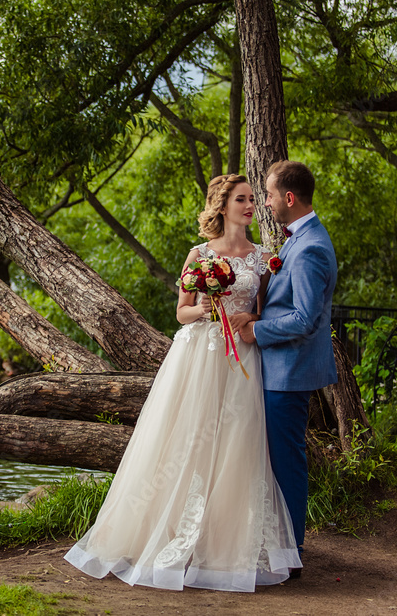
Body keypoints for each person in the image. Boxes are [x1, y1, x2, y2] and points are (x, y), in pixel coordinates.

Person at [65, 174, 301, 592]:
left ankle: (225, 542)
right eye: (241, 200)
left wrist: (248, 320)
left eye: (252, 199)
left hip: (242, 358)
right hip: (197, 357)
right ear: (222, 205)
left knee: (237, 443)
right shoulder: (199, 254)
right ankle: (172, 534)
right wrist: (208, 310)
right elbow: (181, 312)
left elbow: (265, 313)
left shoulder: (264, 259)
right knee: (186, 440)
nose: (250, 206)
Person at [240, 160, 338, 561]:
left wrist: (255, 331)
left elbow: (306, 318)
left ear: (289, 197)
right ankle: (279, 544)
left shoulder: (311, 246)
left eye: (268, 194)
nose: (266, 201)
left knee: (287, 463)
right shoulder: (300, 238)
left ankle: (290, 552)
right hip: (279, 370)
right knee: (278, 460)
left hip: (288, 373)